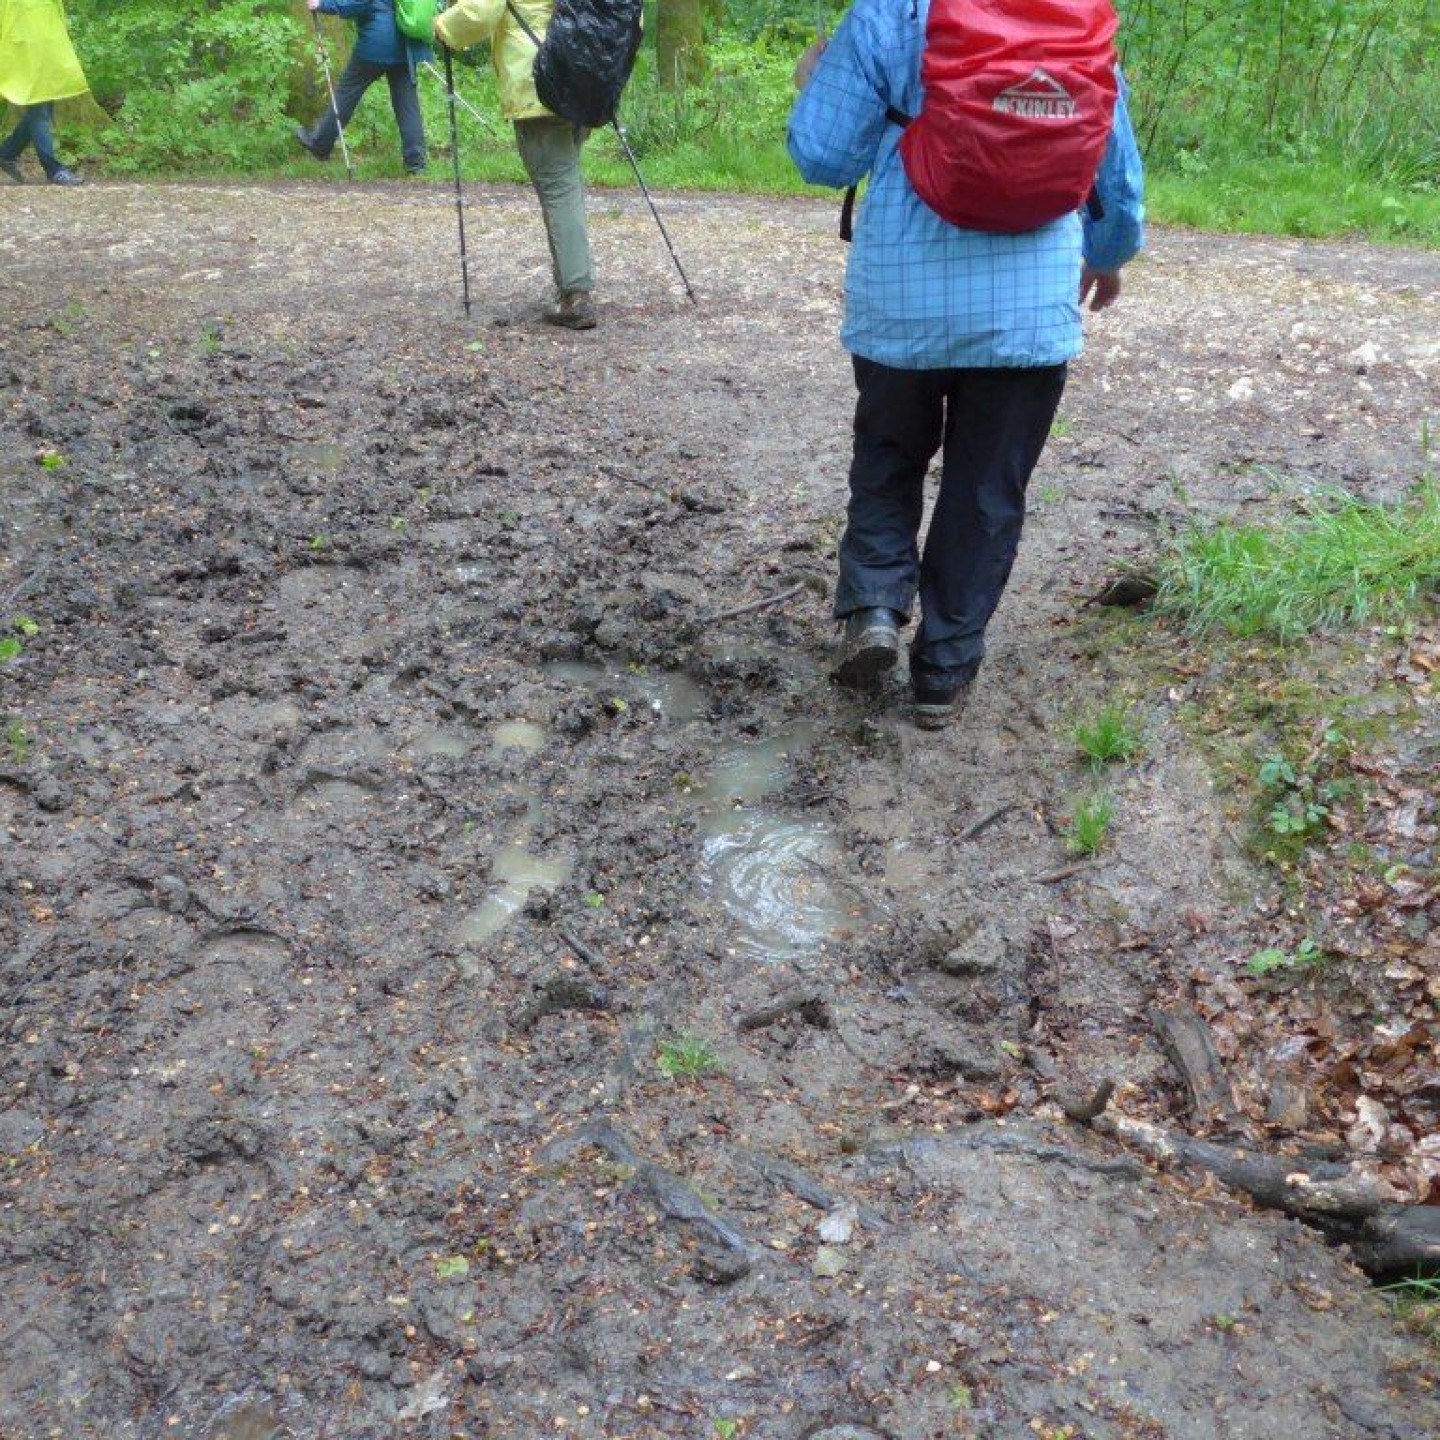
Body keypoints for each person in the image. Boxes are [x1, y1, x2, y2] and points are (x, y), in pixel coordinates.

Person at [788, 0, 1145, 729]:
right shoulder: (1074, 15)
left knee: (888, 456)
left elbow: (821, 158)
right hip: (1027, 310)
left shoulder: (888, 14)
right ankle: (942, 675)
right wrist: (1107, 256)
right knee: (988, 487)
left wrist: (814, 79)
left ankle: (878, 608)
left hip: (902, 303)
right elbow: (1115, 166)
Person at [433, 0, 597, 331]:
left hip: (539, 83)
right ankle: (568, 285)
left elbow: (479, 12)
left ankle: (576, 293)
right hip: (585, 77)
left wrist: (443, 28)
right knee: (565, 186)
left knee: (559, 190)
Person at [295, 0, 429, 176]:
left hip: (376, 44)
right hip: (405, 45)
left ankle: (320, 144)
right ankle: (416, 164)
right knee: (407, 105)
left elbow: (354, 4)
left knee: (346, 93)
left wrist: (321, 4)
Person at [0, 0, 89, 186]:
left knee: (44, 108)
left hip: (45, 50)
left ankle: (7, 153)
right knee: (39, 109)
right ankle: (53, 169)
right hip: (22, 50)